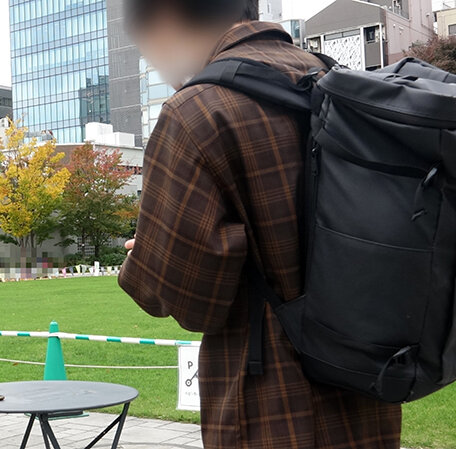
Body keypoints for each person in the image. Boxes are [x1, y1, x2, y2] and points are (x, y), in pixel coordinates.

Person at [118, 1, 401, 448]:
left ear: (169, 17)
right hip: (366, 393)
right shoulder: (341, 83)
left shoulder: (195, 112)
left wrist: (150, 255)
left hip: (270, 406)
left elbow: (190, 304)